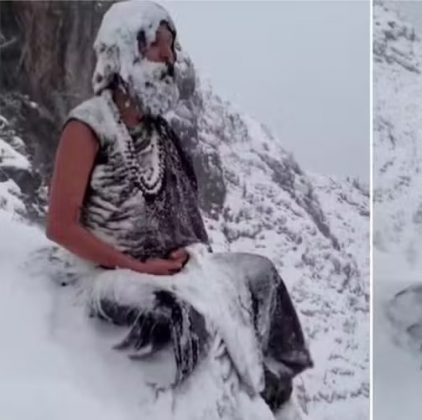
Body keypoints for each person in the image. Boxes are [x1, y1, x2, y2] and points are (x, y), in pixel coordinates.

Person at [44, 0, 312, 412]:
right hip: (111, 271)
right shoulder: (88, 126)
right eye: (159, 48)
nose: (170, 60)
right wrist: (137, 267)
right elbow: (61, 227)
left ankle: (273, 389)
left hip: (174, 267)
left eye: (172, 50)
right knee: (181, 316)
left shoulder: (159, 132)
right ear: (126, 51)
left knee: (262, 276)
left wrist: (187, 260)